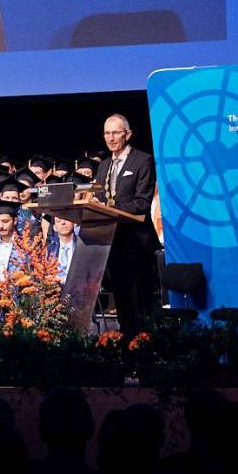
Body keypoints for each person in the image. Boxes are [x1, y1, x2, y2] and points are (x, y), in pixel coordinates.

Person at [98, 113, 161, 328]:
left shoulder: (143, 160)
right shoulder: (103, 166)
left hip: (137, 243)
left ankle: (145, 347)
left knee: (140, 303)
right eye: (107, 133)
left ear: (128, 134)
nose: (111, 137)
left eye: (116, 132)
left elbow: (142, 203)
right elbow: (99, 200)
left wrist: (109, 208)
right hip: (113, 244)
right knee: (122, 301)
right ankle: (127, 348)